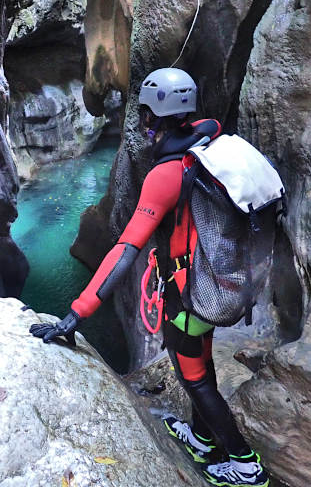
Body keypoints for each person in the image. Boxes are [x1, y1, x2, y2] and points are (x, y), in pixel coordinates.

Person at [29, 68, 270, 487]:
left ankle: (245, 464)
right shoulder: (210, 147)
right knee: (202, 362)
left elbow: (125, 250)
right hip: (218, 282)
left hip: (189, 293)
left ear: (149, 117)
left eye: (143, 114)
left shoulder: (166, 173)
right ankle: (201, 440)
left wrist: (76, 315)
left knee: (193, 376)